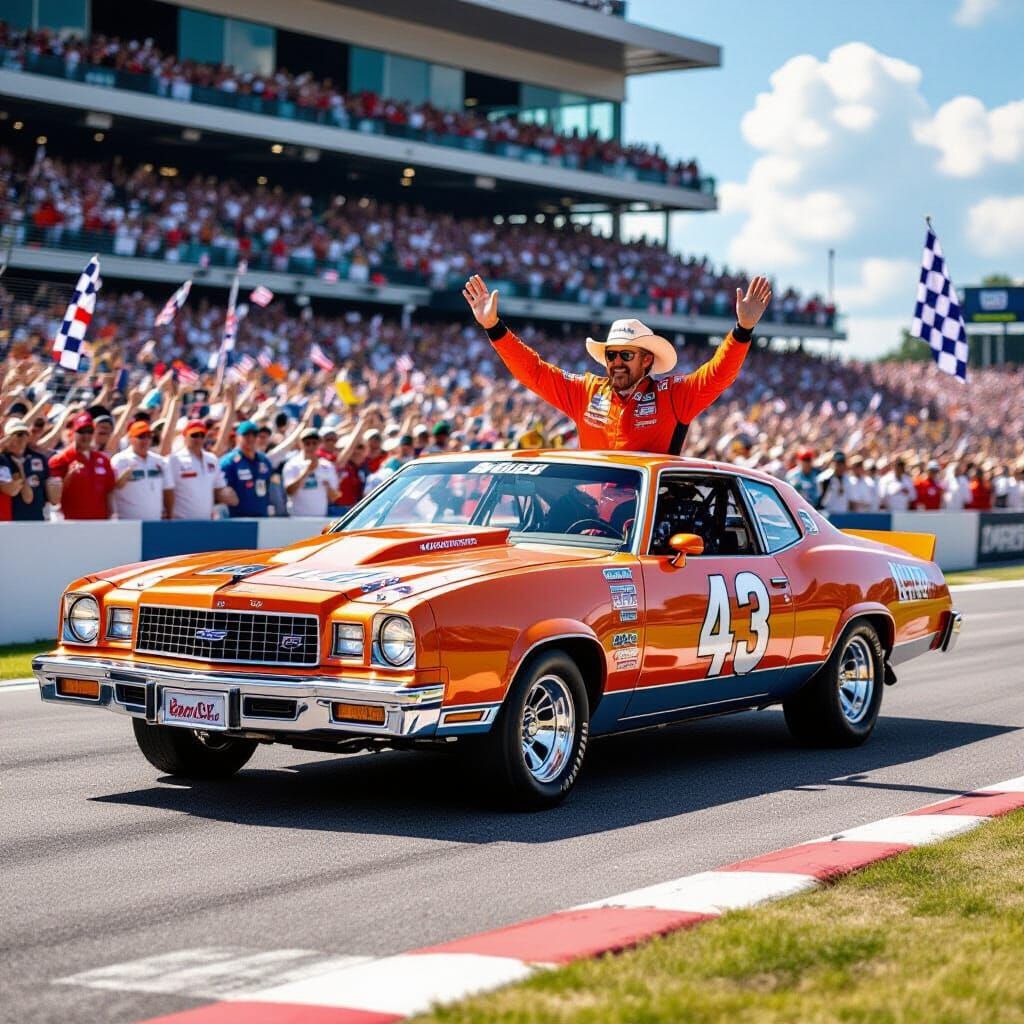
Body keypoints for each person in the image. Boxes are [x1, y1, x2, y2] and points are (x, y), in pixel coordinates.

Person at [462, 272, 772, 454]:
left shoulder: (672, 395)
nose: (617, 362)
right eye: (611, 355)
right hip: (591, 524)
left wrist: (742, 331)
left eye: (626, 355)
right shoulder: (587, 391)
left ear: (647, 359)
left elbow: (718, 375)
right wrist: (494, 328)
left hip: (645, 529)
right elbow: (535, 372)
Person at [47, 413, 116, 520]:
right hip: (72, 524)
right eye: (81, 431)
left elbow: (109, 491)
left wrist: (113, 515)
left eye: (89, 431)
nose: (86, 436)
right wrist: (69, 476)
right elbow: (54, 498)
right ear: (73, 432)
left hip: (100, 523)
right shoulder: (60, 459)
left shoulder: (103, 459)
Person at [167, 420, 238, 519]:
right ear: (185, 436)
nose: (199, 439)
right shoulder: (175, 460)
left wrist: (227, 495)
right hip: (181, 521)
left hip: (206, 521)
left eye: (202, 435)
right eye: (194, 435)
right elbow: (167, 490)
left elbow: (219, 488)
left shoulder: (211, 459)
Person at [110, 420, 174, 520]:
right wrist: (122, 479)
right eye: (141, 436)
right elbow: (112, 489)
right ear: (131, 439)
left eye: (149, 436)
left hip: (155, 521)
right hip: (128, 523)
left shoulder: (160, 461)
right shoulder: (120, 460)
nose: (145, 440)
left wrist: (170, 514)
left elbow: (168, 490)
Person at [4, 419, 56, 521]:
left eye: (25, 434)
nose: (22, 438)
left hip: (38, 520)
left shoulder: (39, 458)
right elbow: (27, 498)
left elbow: (50, 495)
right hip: (12, 522)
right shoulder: (3, 460)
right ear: (7, 438)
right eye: (17, 434)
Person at [220, 420, 274, 517]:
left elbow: (268, 485)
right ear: (237, 437)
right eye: (246, 435)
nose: (251, 438)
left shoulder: (264, 461)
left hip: (262, 518)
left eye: (254, 435)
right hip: (237, 519)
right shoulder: (229, 462)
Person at [283, 428, 341, 517]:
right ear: (301, 444)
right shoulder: (292, 465)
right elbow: (289, 491)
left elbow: (334, 497)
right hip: (297, 519)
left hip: (320, 518)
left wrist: (328, 487)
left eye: (314, 443)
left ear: (319, 444)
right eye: (307, 443)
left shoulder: (327, 466)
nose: (311, 446)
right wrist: (307, 471)